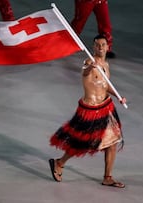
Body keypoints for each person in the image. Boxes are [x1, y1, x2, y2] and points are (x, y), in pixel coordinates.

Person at [49, 35, 126, 188]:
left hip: (106, 107)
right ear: (93, 47)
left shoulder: (106, 64)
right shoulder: (89, 62)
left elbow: (105, 84)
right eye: (97, 45)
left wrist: (118, 96)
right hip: (90, 109)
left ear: (108, 47)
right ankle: (59, 162)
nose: (101, 47)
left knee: (112, 143)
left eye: (103, 45)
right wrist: (92, 66)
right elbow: (85, 72)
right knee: (82, 143)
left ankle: (107, 177)